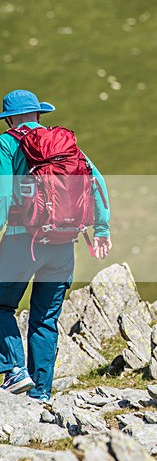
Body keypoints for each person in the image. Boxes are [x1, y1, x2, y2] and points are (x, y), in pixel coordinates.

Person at [0, 89, 111, 402]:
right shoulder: (62, 143)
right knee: (45, 319)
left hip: (24, 241)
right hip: (63, 242)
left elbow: (3, 194)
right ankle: (40, 393)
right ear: (38, 115)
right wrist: (102, 229)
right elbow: (95, 181)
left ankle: (14, 370)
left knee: (2, 305)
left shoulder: (6, 144)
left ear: (8, 118)